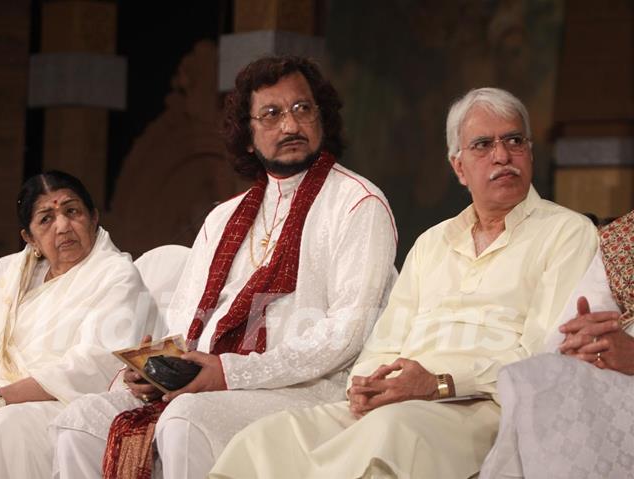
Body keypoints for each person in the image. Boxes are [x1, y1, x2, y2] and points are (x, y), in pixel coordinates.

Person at [208, 87, 600, 479]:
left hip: (481, 408)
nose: (502, 155)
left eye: (514, 140)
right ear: (459, 167)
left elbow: (541, 358)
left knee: (388, 437)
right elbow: (384, 344)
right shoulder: (433, 242)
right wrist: (366, 386)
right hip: (403, 399)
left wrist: (440, 384)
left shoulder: (566, 233)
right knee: (265, 440)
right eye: (483, 144)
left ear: (530, 152)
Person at [52, 55, 398, 479]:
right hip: (207, 381)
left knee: (186, 419)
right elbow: (183, 322)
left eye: (302, 109)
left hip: (309, 390)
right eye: (271, 114)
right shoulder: (224, 218)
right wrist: (155, 371)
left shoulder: (358, 204)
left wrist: (230, 373)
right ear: (248, 137)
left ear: (322, 117)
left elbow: (347, 332)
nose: (290, 125)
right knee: (81, 419)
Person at [0, 171, 153, 479]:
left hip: (63, 401)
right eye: (46, 219)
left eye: (72, 211)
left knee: (2, 426)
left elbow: (93, 366)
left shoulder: (117, 275)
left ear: (93, 218)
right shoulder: (13, 272)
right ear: (29, 238)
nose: (63, 226)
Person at [479, 210, 634, 479]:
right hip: (609, 371)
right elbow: (583, 316)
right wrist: (582, 340)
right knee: (543, 377)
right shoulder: (624, 237)